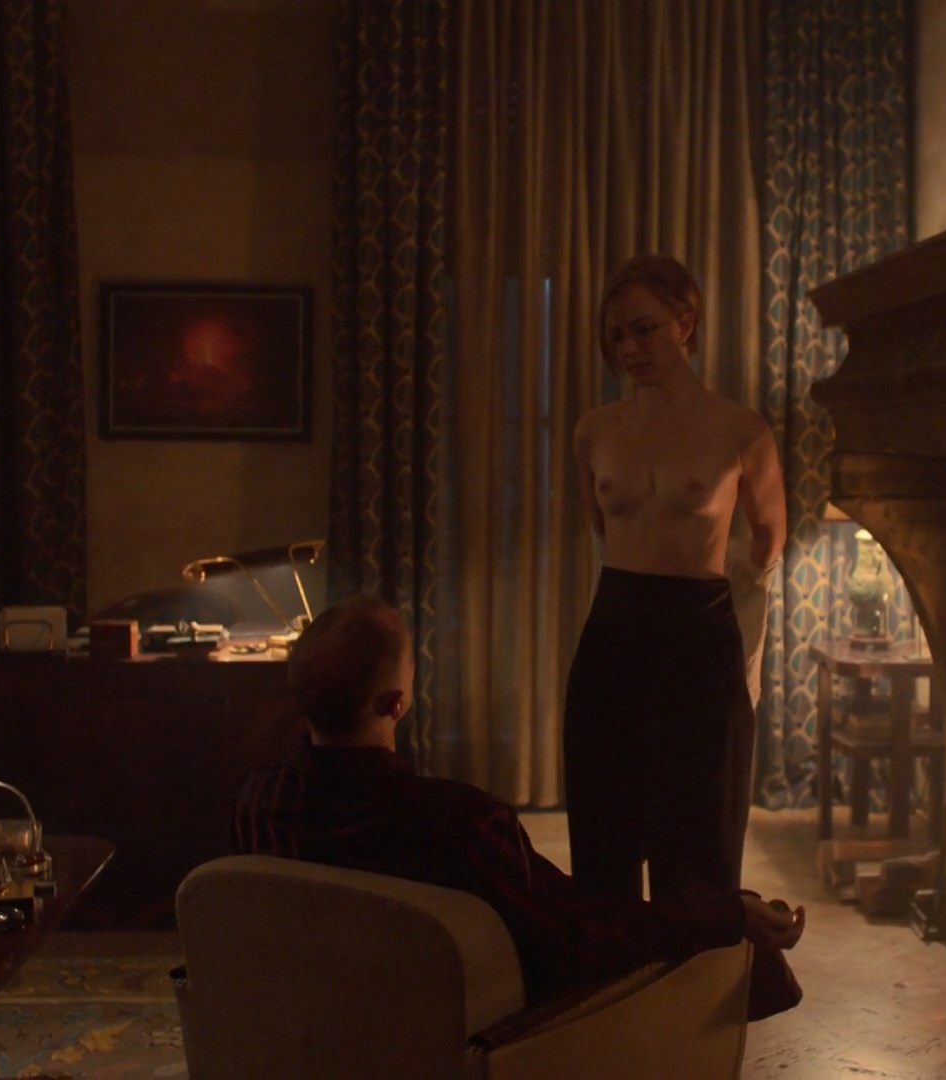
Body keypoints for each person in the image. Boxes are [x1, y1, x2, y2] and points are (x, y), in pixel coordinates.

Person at [234, 595, 805, 1010]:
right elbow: (581, 943)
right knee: (724, 944)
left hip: (316, 1034)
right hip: (463, 1046)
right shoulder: (460, 824)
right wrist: (727, 913)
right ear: (398, 703)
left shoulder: (261, 801)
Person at [566, 254, 787, 908]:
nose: (629, 349)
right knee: (603, 836)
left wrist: (728, 611)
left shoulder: (740, 430)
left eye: (644, 329)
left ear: (684, 324)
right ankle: (613, 967)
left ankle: (694, 970)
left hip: (698, 632)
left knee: (698, 844)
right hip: (614, 632)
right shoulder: (594, 431)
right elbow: (600, 527)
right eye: (617, 336)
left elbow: (769, 539)